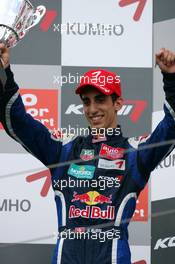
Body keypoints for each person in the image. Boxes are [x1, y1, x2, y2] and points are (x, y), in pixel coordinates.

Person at [0, 43, 175, 264]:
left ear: (118, 103)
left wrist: (171, 79)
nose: (92, 109)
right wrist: (4, 71)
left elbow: (171, 128)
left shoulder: (134, 154)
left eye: (100, 100)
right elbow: (18, 123)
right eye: (86, 101)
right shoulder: (64, 151)